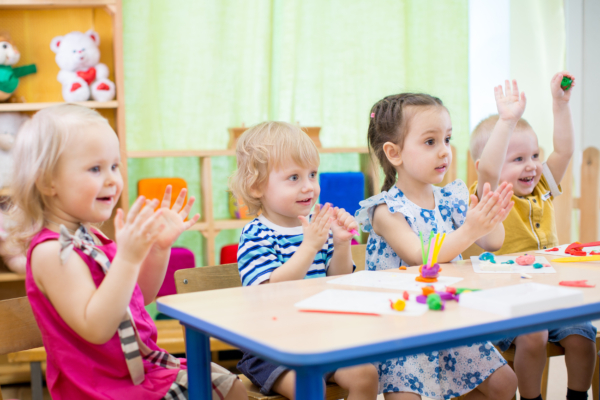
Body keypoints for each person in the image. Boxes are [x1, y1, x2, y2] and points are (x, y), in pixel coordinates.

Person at [6, 104, 248, 400]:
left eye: (114, 166)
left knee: (227, 384)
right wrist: (128, 258)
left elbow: (138, 298)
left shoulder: (92, 237)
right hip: (101, 389)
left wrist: (158, 248)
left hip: (141, 371)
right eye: (95, 169)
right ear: (47, 182)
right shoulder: (53, 252)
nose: (112, 179)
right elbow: (96, 328)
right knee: (224, 389)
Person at [355, 93, 518, 399]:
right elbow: (420, 255)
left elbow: (493, 241)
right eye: (430, 142)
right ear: (394, 153)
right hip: (401, 333)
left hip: (448, 323)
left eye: (447, 139)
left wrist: (488, 218)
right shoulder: (386, 210)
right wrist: (470, 228)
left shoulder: (450, 199)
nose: (445, 151)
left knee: (505, 383)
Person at [230, 121, 379, 399]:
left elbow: (338, 281)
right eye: (294, 178)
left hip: (320, 336)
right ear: (256, 186)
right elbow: (269, 292)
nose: (309, 186)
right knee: (309, 387)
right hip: (270, 346)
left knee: (366, 375)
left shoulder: (317, 226)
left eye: (312, 174)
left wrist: (341, 243)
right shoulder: (256, 235)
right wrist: (310, 247)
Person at [470, 74, 597, 400]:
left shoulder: (542, 187)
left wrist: (560, 105)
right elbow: (489, 169)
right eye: (518, 159)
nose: (531, 166)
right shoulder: (489, 194)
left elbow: (565, 150)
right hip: (506, 300)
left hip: (552, 295)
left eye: (535, 156)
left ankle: (577, 396)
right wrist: (507, 121)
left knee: (583, 336)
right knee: (534, 334)